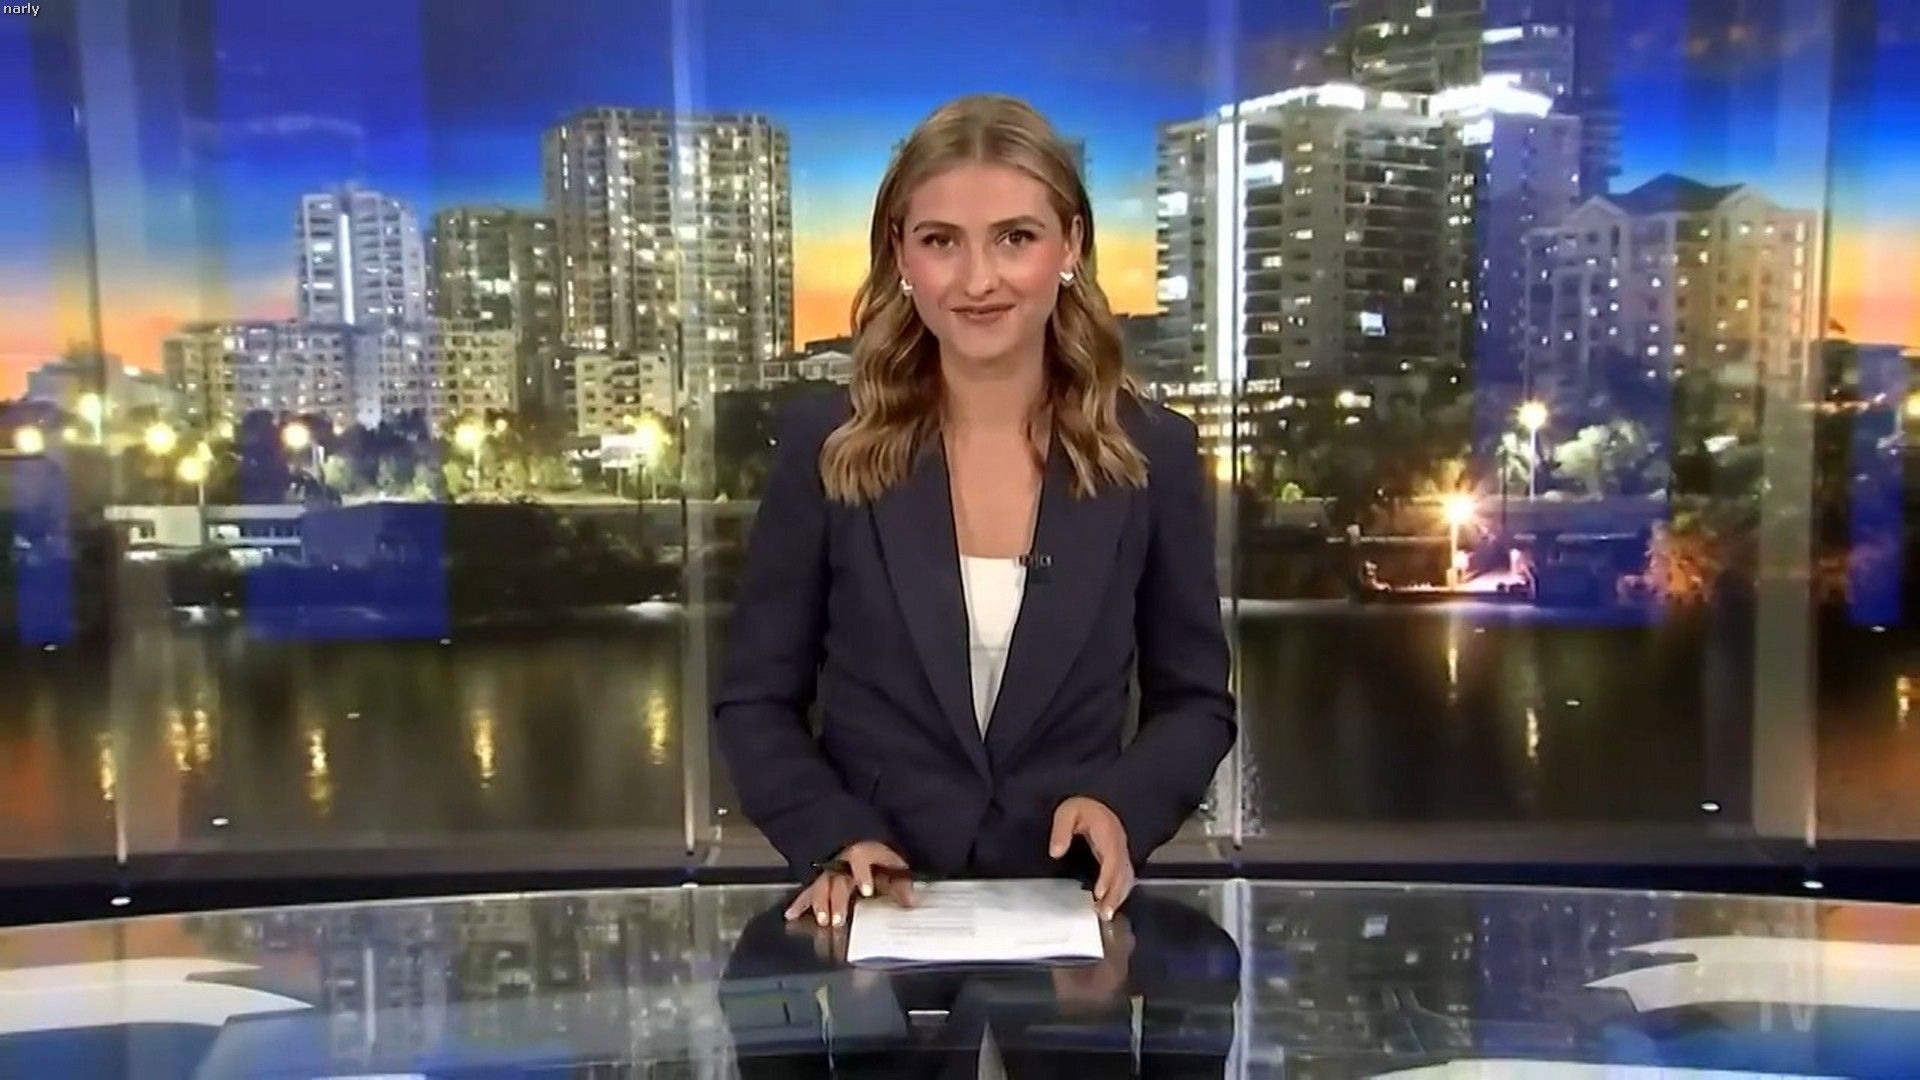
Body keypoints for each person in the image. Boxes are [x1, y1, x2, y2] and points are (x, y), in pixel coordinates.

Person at [712, 94, 1236, 933]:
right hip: (877, 923)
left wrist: (1121, 809)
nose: (978, 280)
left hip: (1071, 928)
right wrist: (834, 836)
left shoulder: (1153, 453)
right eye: (941, 242)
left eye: (1015, 238)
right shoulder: (825, 444)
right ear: (900, 254)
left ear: (1070, 245)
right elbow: (756, 700)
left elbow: (1196, 702)